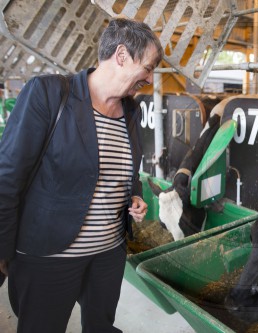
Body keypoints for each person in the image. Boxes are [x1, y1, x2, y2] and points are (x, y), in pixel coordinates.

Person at [0, 17, 163, 333]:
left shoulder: (131, 112)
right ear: (120, 55)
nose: (150, 78)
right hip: (49, 255)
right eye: (148, 66)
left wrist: (135, 196)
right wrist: (2, 249)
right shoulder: (48, 95)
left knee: (100, 327)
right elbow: (7, 177)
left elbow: (126, 172)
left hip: (108, 254)